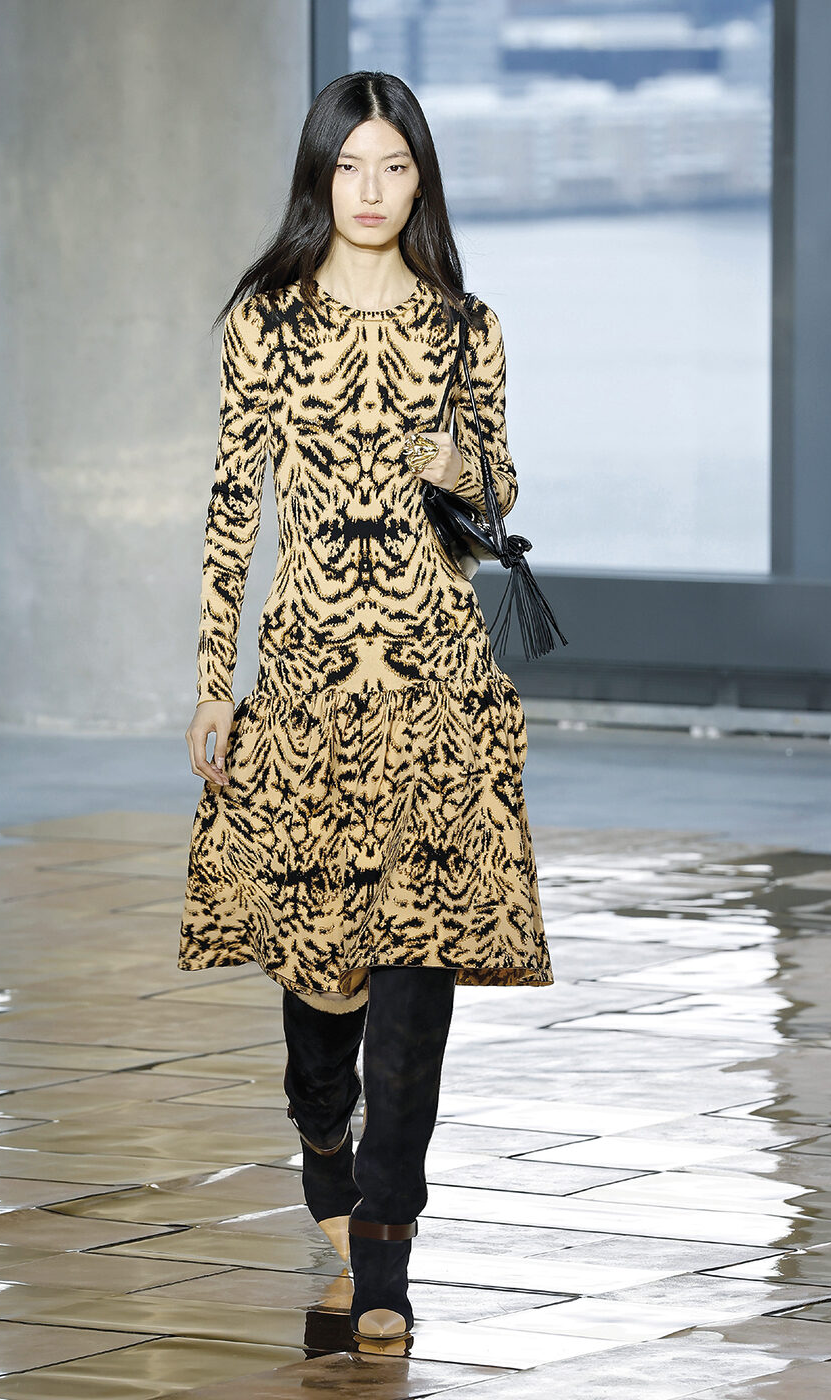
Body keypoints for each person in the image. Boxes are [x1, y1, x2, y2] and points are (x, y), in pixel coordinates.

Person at [180, 70, 553, 1343]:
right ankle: (321, 1132)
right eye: (351, 167)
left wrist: (466, 462)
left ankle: (386, 1247)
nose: (374, 190)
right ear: (320, 178)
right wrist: (212, 682)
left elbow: (498, 494)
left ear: (421, 178)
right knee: (320, 981)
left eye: (396, 167)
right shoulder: (267, 322)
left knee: (416, 972)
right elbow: (234, 507)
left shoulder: (467, 325)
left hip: (438, 683)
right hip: (307, 687)